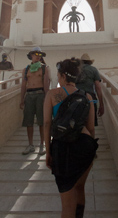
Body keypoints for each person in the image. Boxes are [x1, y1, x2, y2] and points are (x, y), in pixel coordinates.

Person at [44, 58, 98, 218]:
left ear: (61, 76)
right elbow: (91, 128)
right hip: (85, 146)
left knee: (67, 205)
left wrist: (48, 150)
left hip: (63, 148)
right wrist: (91, 151)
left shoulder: (53, 94)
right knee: (79, 189)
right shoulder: (87, 96)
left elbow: (47, 123)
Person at [20, 47, 50, 155]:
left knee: (41, 121)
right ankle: (31, 145)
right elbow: (23, 85)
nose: (37, 56)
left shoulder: (44, 68)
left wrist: (47, 99)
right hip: (29, 95)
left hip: (40, 95)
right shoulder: (26, 69)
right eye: (35, 54)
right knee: (29, 121)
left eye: (39, 54)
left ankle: (42, 144)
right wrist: (21, 99)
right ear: (31, 55)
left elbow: (46, 84)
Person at [76, 53, 104, 126]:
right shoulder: (93, 69)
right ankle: (90, 137)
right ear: (89, 62)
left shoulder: (75, 70)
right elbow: (98, 87)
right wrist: (101, 104)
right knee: (90, 124)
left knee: (78, 123)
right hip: (90, 97)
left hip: (76, 97)